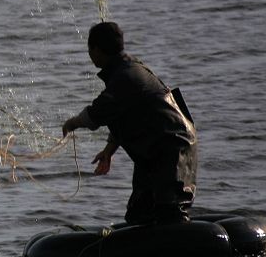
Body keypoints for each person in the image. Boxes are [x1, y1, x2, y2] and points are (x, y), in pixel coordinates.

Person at [62, 22, 198, 225]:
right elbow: (127, 113)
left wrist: (72, 123)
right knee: (139, 213)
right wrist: (109, 150)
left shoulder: (126, 76)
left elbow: (98, 112)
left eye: (89, 49)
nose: (89, 54)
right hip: (154, 152)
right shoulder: (127, 69)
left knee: (170, 211)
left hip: (172, 148)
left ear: (96, 50)